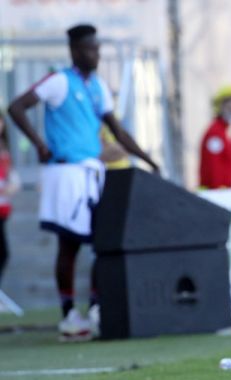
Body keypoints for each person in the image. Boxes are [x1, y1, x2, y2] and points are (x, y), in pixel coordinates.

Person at [7, 24, 159, 341]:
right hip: (65, 172)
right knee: (70, 244)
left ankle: (93, 308)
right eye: (91, 48)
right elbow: (16, 106)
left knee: (102, 242)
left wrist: (148, 160)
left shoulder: (98, 87)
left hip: (94, 173)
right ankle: (67, 316)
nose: (97, 54)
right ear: (76, 50)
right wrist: (38, 143)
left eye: (98, 48)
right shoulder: (59, 81)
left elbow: (118, 131)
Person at [199, 86, 231, 189]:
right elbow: (213, 166)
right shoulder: (215, 133)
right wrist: (219, 191)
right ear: (220, 107)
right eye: (229, 106)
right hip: (215, 194)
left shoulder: (223, 132)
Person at [0, 112, 19, 287]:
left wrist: (12, 185)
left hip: (3, 208)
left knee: (3, 253)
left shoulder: (4, 148)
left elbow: (11, 177)